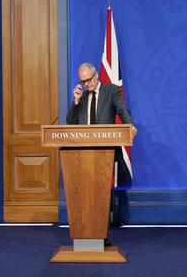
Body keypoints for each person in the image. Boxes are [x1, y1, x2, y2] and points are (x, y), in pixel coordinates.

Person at [66, 62, 137, 246]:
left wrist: (129, 126)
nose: (86, 84)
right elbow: (69, 123)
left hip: (105, 154)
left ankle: (101, 234)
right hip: (82, 155)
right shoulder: (80, 96)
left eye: (89, 80)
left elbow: (122, 110)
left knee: (101, 194)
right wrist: (75, 101)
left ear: (96, 75)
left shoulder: (111, 91)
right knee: (84, 192)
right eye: (83, 81)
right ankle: (83, 233)